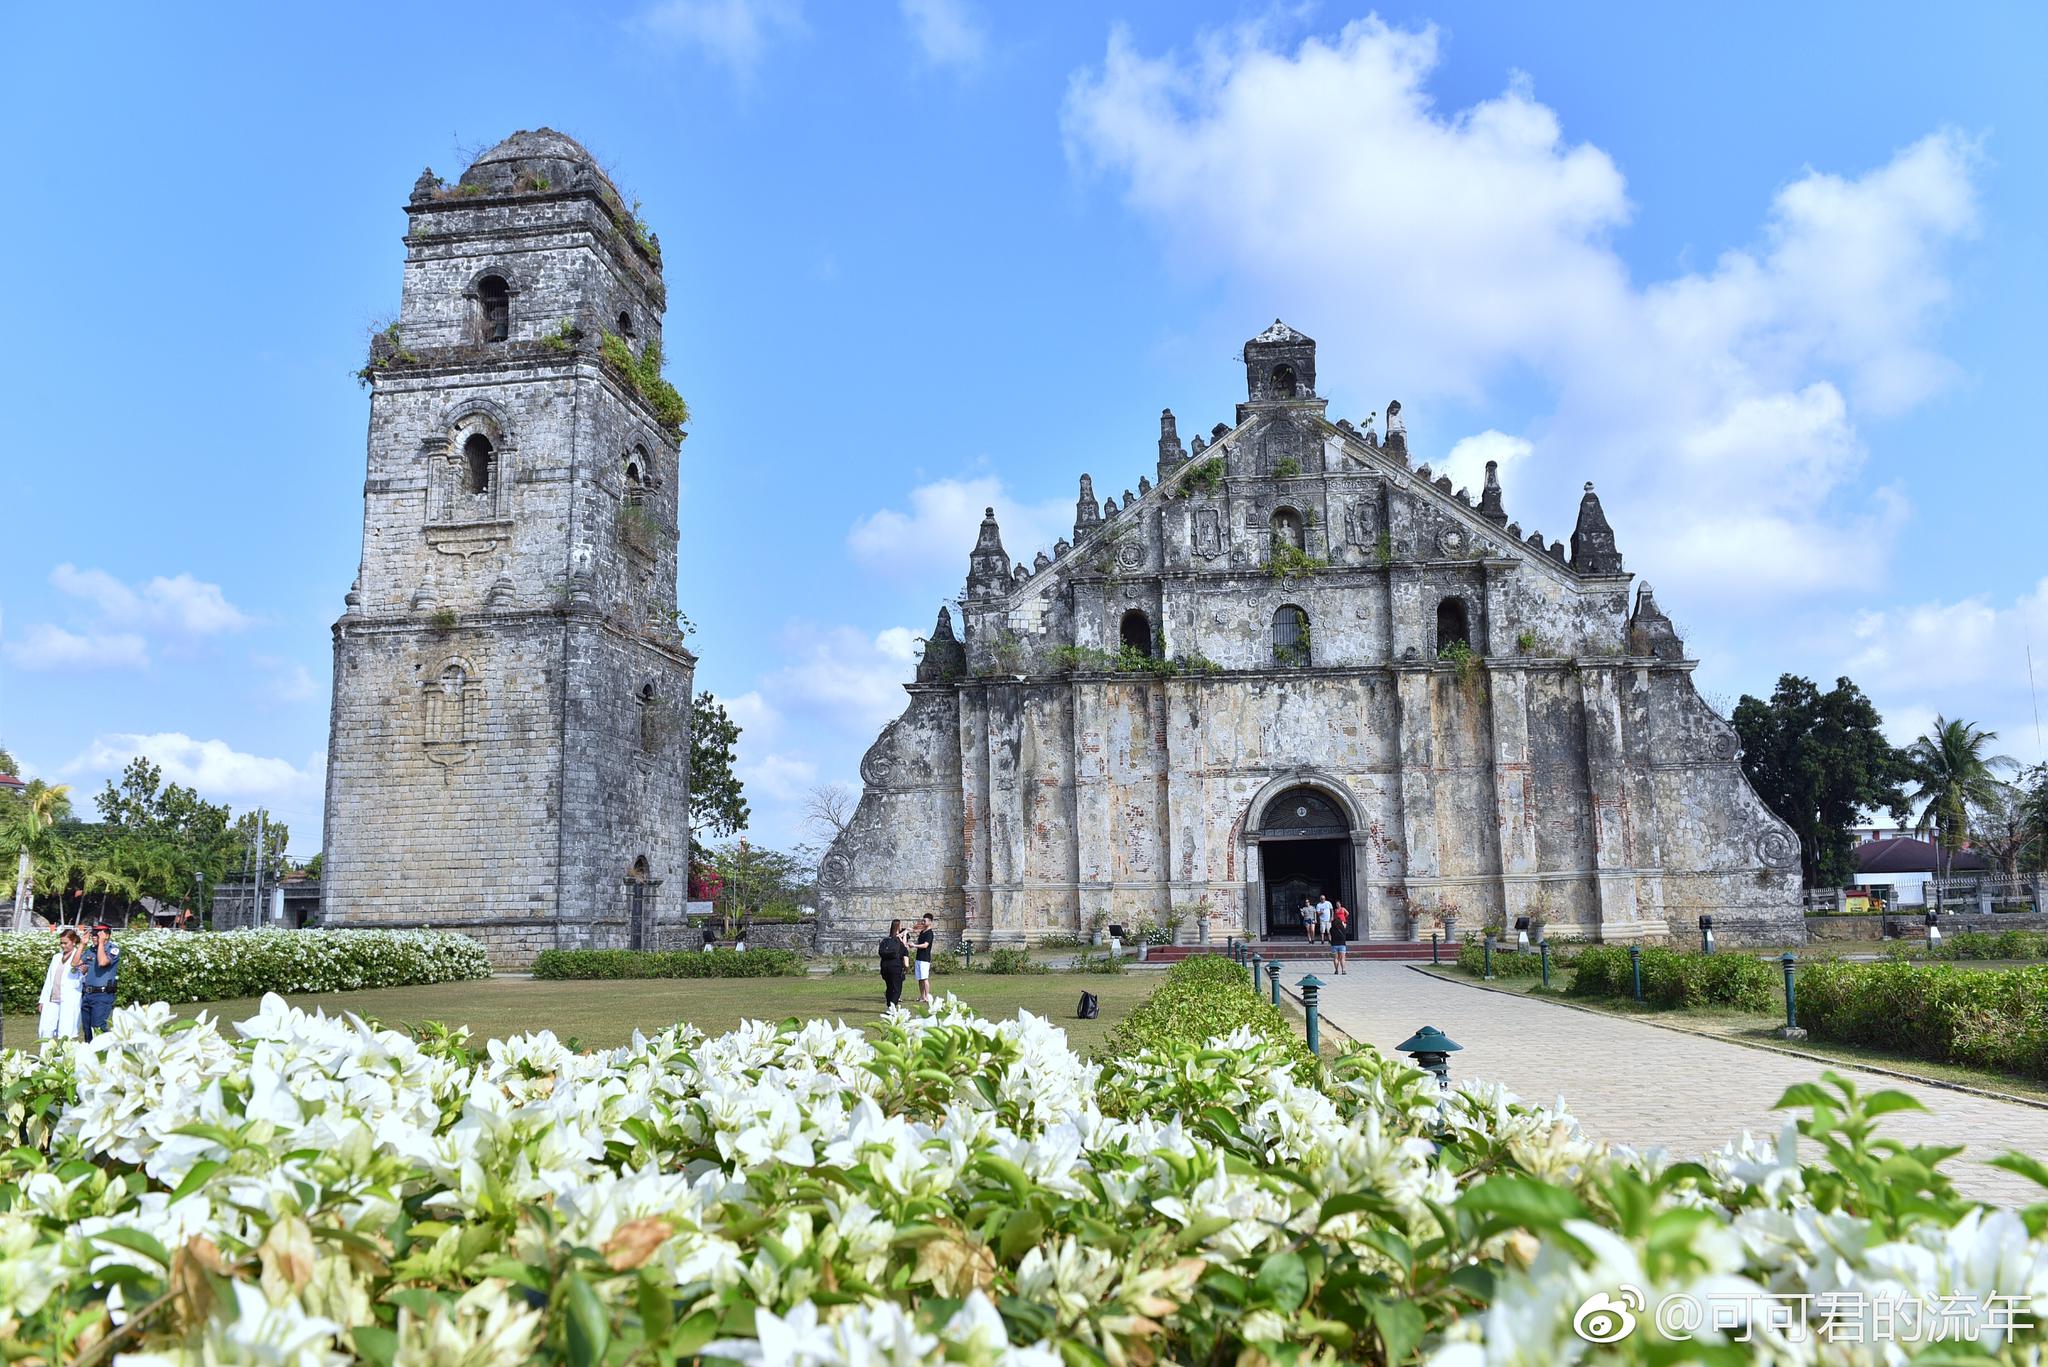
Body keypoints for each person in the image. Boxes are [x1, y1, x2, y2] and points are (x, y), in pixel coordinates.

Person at [39, 928, 84, 1040]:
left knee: (65, 1032)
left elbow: (83, 979)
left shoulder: (79, 957)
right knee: (46, 1029)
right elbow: (49, 980)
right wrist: (42, 1000)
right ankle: (44, 1056)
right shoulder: (56, 957)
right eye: (61, 943)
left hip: (69, 998)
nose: (63, 946)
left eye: (65, 943)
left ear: (73, 942)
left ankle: (63, 1057)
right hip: (52, 998)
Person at [80, 923, 121, 1041]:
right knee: (87, 1030)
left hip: (102, 995)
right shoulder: (91, 950)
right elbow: (75, 963)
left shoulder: (113, 949)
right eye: (93, 934)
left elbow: (103, 962)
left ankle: (105, 1055)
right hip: (88, 994)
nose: (94, 937)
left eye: (98, 934)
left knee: (98, 1028)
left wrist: (102, 943)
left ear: (106, 936)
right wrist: (82, 944)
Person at [878, 919, 910, 1009]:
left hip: (884, 967)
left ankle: (889, 1006)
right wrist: (906, 969)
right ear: (898, 928)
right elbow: (906, 963)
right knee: (896, 989)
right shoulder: (901, 945)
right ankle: (891, 1008)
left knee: (889, 987)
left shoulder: (886, 941)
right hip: (895, 968)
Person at [912, 913, 936, 1006]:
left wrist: (914, 945)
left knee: (925, 978)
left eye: (925, 921)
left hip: (925, 959)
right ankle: (922, 996)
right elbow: (915, 930)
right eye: (923, 920)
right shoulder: (922, 932)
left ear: (930, 922)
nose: (923, 922)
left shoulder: (930, 933)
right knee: (920, 978)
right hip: (918, 957)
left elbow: (925, 945)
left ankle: (927, 996)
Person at [1327, 904, 1349, 975]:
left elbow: (1329, 936)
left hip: (1334, 944)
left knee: (1335, 958)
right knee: (1342, 958)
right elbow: (1344, 924)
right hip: (1342, 944)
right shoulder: (1343, 928)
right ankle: (1343, 970)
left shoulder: (1331, 929)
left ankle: (1336, 970)